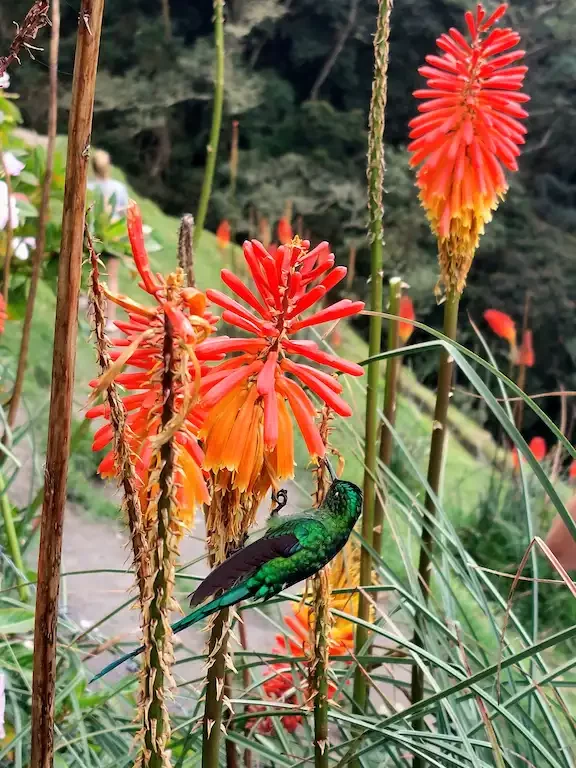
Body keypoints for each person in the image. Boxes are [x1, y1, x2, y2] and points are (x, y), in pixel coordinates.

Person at [88, 150, 129, 329]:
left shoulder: (90, 188)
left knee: (93, 274)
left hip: (95, 237)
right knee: (112, 277)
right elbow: (124, 212)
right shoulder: (118, 188)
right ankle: (110, 318)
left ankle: (94, 313)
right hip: (113, 236)